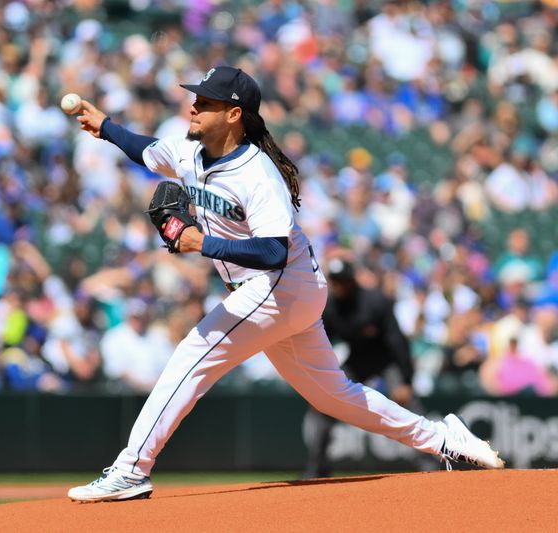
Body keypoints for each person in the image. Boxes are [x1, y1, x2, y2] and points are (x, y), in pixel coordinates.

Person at [67, 66, 503, 503]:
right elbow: (147, 150)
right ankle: (444, 438)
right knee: (334, 396)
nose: (194, 106)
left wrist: (201, 242)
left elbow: (273, 252)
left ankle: (131, 470)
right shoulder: (190, 151)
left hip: (278, 283)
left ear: (234, 114)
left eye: (206, 101)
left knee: (193, 354)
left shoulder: (257, 173)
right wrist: (104, 126)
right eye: (196, 98)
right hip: (286, 290)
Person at [302, 258, 435, 478]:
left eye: (342, 280)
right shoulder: (330, 306)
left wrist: (406, 381)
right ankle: (317, 468)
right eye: (335, 281)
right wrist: (318, 385)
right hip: (357, 361)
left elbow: (397, 342)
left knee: (408, 403)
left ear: (352, 280)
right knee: (322, 405)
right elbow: (319, 343)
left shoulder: (375, 300)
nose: (338, 286)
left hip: (386, 360)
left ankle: (429, 463)